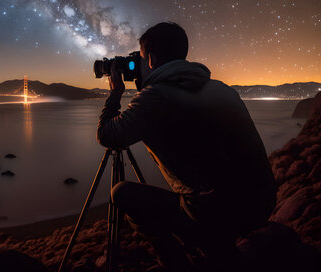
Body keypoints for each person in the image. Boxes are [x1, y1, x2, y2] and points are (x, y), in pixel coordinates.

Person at [97, 22, 276, 271]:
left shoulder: (156, 97)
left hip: (212, 216)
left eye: (139, 59)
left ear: (151, 59)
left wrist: (116, 92)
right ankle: (217, 248)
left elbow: (107, 134)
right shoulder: (222, 89)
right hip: (261, 204)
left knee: (121, 193)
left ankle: (180, 263)